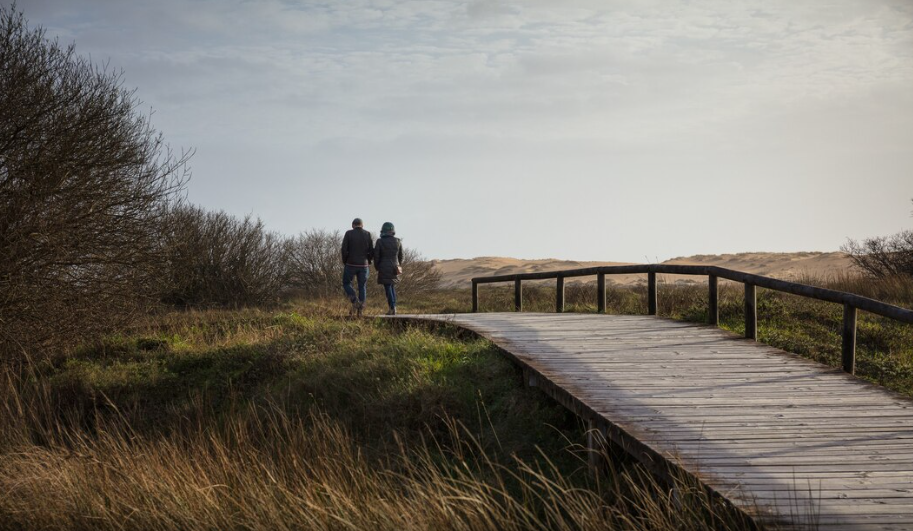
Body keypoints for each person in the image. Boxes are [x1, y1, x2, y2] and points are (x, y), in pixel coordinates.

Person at [341, 218, 373, 317]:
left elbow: (344, 249)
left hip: (350, 263)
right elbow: (371, 250)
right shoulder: (367, 234)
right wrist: (369, 260)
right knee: (362, 286)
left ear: (352, 225)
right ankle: (360, 311)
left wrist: (345, 261)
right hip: (364, 265)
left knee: (346, 283)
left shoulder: (348, 233)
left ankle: (355, 300)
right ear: (362, 225)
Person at [374, 221, 404, 315]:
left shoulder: (380, 241)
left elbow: (376, 256)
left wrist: (377, 267)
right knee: (392, 286)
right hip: (395, 267)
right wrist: (398, 265)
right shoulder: (398, 241)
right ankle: (394, 307)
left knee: (388, 287)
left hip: (383, 267)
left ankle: (392, 308)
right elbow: (401, 256)